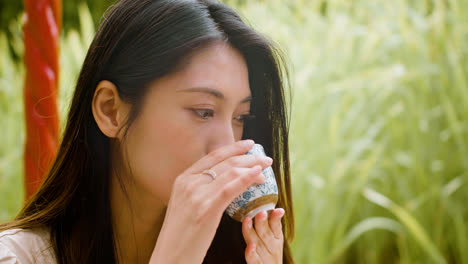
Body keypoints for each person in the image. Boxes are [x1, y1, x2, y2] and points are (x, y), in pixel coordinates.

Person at [0, 0, 294, 263]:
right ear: (110, 110)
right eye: (203, 111)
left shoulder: (242, 253)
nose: (227, 146)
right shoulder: (17, 256)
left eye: (240, 117)